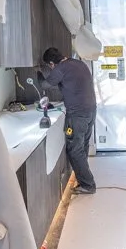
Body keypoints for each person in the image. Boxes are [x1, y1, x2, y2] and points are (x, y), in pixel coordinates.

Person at [40, 47, 97, 194]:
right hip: (90, 111)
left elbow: (45, 85)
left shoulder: (61, 68)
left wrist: (38, 73)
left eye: (49, 66)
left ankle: (88, 184)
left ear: (52, 63)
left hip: (77, 114)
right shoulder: (78, 63)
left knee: (74, 150)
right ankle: (84, 180)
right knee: (82, 147)